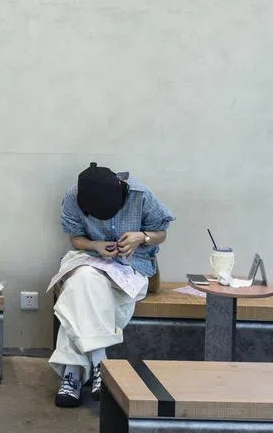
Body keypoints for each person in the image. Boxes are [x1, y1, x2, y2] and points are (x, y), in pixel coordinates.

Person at [49, 162, 175, 407]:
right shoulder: (73, 197)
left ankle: (72, 374)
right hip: (92, 259)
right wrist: (95, 246)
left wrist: (142, 237)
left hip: (132, 266)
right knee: (85, 276)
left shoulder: (140, 194)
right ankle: (100, 363)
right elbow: (75, 238)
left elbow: (162, 232)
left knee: (76, 290)